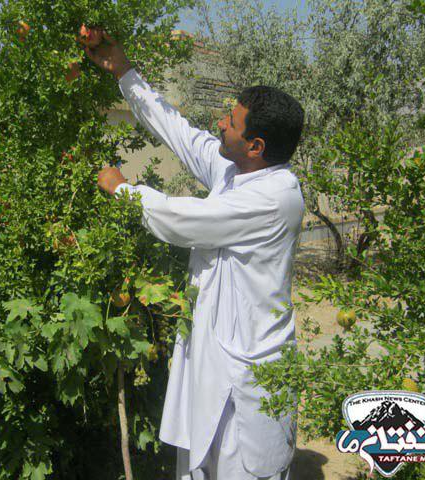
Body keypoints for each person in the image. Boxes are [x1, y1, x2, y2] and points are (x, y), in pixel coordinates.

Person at [85, 31, 305, 480]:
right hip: (213, 360)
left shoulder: (273, 197)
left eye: (231, 120)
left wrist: (123, 189)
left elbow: (183, 220)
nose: (220, 122)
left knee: (243, 468)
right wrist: (125, 73)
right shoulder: (236, 171)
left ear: (256, 146)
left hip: (248, 377)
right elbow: (180, 134)